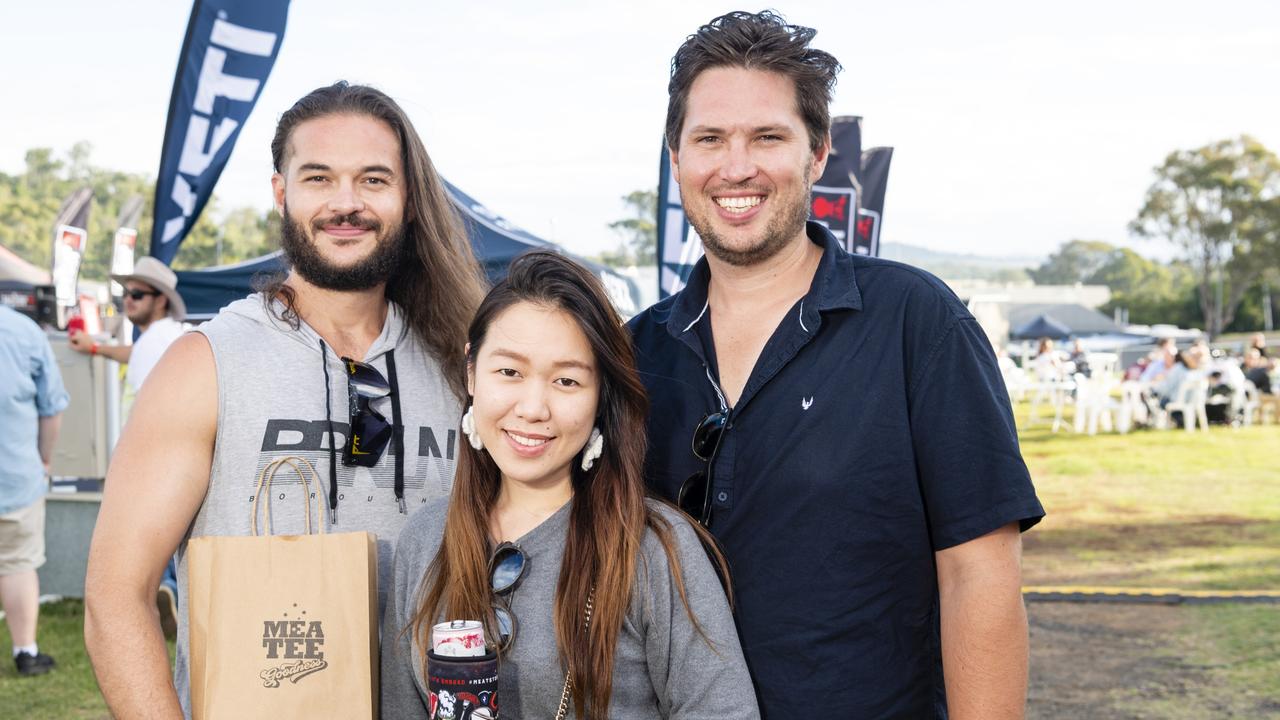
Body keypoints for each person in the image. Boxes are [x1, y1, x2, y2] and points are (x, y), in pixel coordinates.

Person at [628, 11, 1044, 718]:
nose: (736, 167)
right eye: (709, 139)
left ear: (818, 154)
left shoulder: (918, 322)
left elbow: (980, 574)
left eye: (768, 137)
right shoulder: (635, 353)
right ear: (676, 162)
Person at [84, 82, 488, 718]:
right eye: (319, 178)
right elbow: (115, 595)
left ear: (409, 200)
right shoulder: (205, 363)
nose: (345, 203)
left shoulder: (463, 365)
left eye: (374, 180)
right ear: (281, 193)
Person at [382, 252, 758, 719]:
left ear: (601, 396)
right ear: (471, 371)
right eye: (509, 372)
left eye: (566, 381)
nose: (533, 408)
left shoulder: (652, 546)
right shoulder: (424, 539)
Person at [0, 304, 68, 676]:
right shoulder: (23, 331)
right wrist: (44, 460)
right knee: (18, 565)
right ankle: (25, 652)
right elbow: (52, 406)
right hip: (15, 475)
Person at [67, 256, 187, 408]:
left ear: (160, 301)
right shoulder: (164, 334)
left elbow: (148, 410)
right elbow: (135, 353)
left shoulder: (153, 342)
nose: (128, 300)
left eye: (137, 294)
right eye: (125, 293)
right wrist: (94, 348)